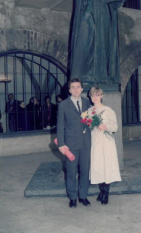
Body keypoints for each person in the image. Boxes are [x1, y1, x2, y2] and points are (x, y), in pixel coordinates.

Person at [70, 0, 126, 84]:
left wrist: (117, 1)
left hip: (103, 19)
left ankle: (101, 77)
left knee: (102, 47)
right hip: (89, 16)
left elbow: (109, 3)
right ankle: (85, 77)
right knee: (86, 44)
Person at [57, 78, 91, 208]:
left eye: (78, 86)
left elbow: (90, 121)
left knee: (85, 171)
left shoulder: (87, 102)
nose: (76, 89)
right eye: (73, 87)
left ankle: (83, 196)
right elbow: (60, 126)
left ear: (82, 89)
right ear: (69, 90)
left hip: (85, 143)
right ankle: (72, 197)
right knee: (71, 171)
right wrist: (61, 144)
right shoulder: (63, 105)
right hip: (70, 144)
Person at [89, 87, 121, 205]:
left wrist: (105, 126)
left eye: (97, 95)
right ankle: (101, 191)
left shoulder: (108, 110)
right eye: (93, 95)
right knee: (98, 167)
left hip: (106, 142)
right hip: (95, 141)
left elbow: (115, 127)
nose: (95, 98)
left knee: (106, 165)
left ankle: (106, 192)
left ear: (101, 96)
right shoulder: (89, 111)